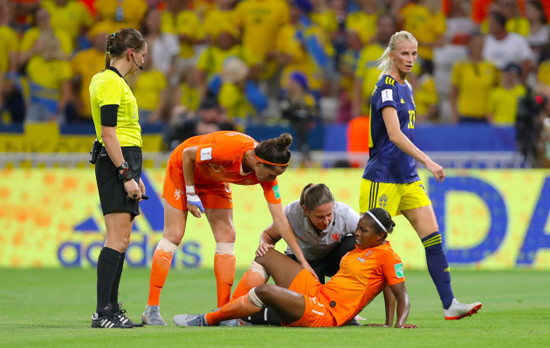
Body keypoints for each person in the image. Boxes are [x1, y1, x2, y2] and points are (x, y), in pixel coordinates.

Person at [359, 30, 482, 320]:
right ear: (392, 55)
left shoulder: (408, 89)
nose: (410, 59)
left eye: (414, 54)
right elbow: (394, 135)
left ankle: (449, 303)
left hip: (407, 178)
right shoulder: (385, 88)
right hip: (383, 178)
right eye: (404, 54)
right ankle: (345, 306)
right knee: (368, 248)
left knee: (433, 238)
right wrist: (429, 161)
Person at [142, 131, 315, 326]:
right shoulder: (227, 149)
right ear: (258, 164)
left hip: (213, 178)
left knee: (227, 236)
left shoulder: (267, 172)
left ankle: (223, 313)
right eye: (272, 173)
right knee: (174, 234)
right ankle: (151, 310)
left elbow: (280, 220)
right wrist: (191, 194)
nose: (273, 179)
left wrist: (302, 260)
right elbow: (189, 154)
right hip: (183, 170)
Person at [173, 208, 418, 329]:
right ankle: (232, 314)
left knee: (266, 293)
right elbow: (385, 285)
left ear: (381, 235)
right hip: (319, 292)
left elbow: (400, 293)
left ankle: (209, 319)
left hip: (327, 313)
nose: (357, 232)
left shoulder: (388, 257)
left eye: (364, 230)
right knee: (266, 254)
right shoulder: (359, 249)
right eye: (359, 227)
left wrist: (396, 325)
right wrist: (388, 322)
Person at [230, 183, 360, 325]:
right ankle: (238, 311)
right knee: (303, 311)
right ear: (305, 210)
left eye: (329, 214)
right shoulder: (291, 214)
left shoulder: (346, 214)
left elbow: (373, 239)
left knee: (354, 243)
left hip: (331, 261)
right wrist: (264, 244)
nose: (326, 221)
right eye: (320, 217)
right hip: (300, 263)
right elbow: (267, 234)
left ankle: (346, 311)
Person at [89, 28, 148, 328]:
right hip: (117, 159)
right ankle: (103, 312)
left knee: (122, 239)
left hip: (123, 159)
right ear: (130, 54)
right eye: (142, 54)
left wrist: (133, 174)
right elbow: (109, 133)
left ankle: (111, 308)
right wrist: (126, 173)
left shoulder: (111, 81)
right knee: (116, 238)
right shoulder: (111, 83)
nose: (143, 59)